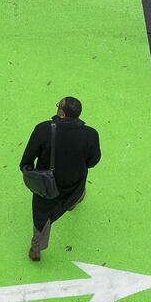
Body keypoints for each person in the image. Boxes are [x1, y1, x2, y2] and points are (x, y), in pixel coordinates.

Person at [20, 97, 101, 261]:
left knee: (41, 217)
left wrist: (30, 173)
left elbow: (27, 161)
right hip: (74, 185)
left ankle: (36, 249)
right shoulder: (91, 134)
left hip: (47, 186)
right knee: (74, 198)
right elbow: (93, 161)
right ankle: (73, 203)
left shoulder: (43, 130)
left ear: (62, 113)